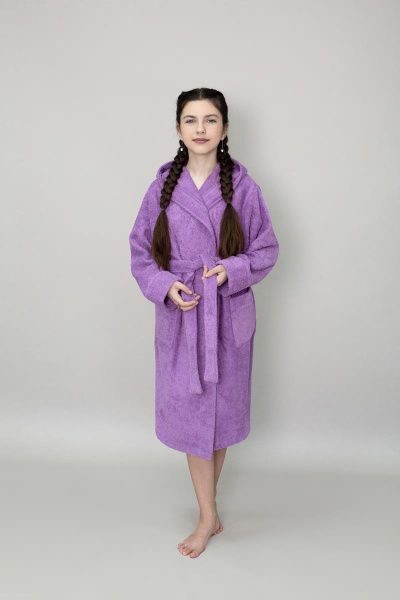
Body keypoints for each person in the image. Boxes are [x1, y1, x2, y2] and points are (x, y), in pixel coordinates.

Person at [128, 87, 279, 558]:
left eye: (210, 120)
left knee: (220, 420)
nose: (200, 129)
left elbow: (266, 249)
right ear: (178, 129)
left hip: (227, 318)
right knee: (196, 419)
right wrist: (166, 285)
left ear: (225, 129)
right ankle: (208, 516)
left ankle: (207, 513)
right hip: (185, 316)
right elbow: (140, 253)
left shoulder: (244, 188)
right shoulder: (161, 189)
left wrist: (230, 271)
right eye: (191, 120)